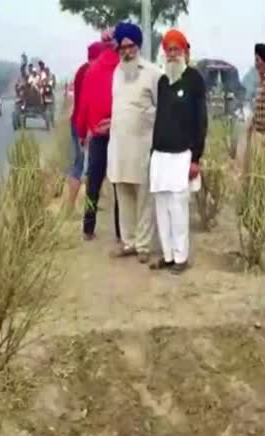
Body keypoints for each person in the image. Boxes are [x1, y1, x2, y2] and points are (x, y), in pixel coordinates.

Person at [149, 29, 207, 274]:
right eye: (168, 50)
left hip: (183, 154)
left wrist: (196, 158)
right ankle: (168, 255)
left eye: (176, 49)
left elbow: (201, 121)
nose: (172, 54)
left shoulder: (194, 80)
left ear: (184, 51)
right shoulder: (162, 82)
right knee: (161, 207)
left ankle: (181, 258)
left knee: (178, 207)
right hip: (160, 155)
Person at [107, 22, 162, 263]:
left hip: (143, 147)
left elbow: (164, 110)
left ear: (138, 46)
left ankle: (143, 246)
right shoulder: (117, 73)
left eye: (130, 47)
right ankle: (128, 243)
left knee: (143, 199)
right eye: (122, 47)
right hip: (119, 147)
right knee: (124, 196)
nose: (126, 52)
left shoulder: (153, 73)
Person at [76, 29, 121, 242]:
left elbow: (83, 104)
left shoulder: (92, 71)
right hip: (120, 133)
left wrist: (82, 131)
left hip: (98, 134)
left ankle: (88, 227)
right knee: (119, 184)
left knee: (93, 183)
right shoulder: (123, 69)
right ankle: (122, 231)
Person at [66, 41, 103, 212]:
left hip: (77, 122)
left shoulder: (82, 70)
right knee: (85, 166)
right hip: (86, 125)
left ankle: (77, 206)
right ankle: (83, 206)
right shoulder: (94, 71)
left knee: (82, 163)